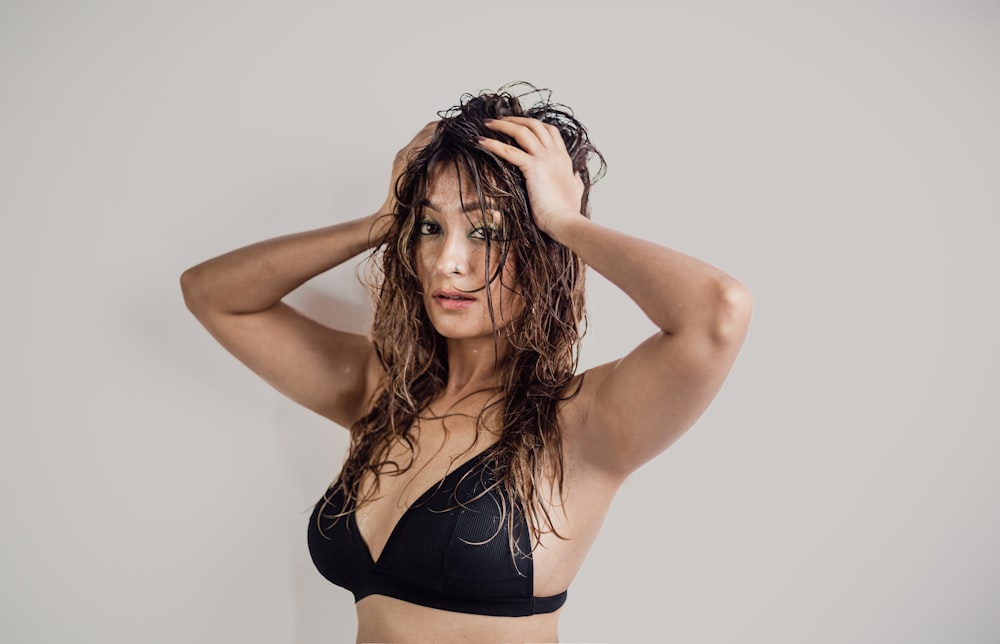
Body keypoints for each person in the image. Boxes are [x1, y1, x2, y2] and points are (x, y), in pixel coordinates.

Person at [181, 83, 753, 644]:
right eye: (431, 228)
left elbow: (717, 312)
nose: (448, 261)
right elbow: (212, 293)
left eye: (489, 232)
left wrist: (563, 222)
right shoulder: (385, 392)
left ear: (540, 252)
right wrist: (383, 220)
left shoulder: (584, 423)